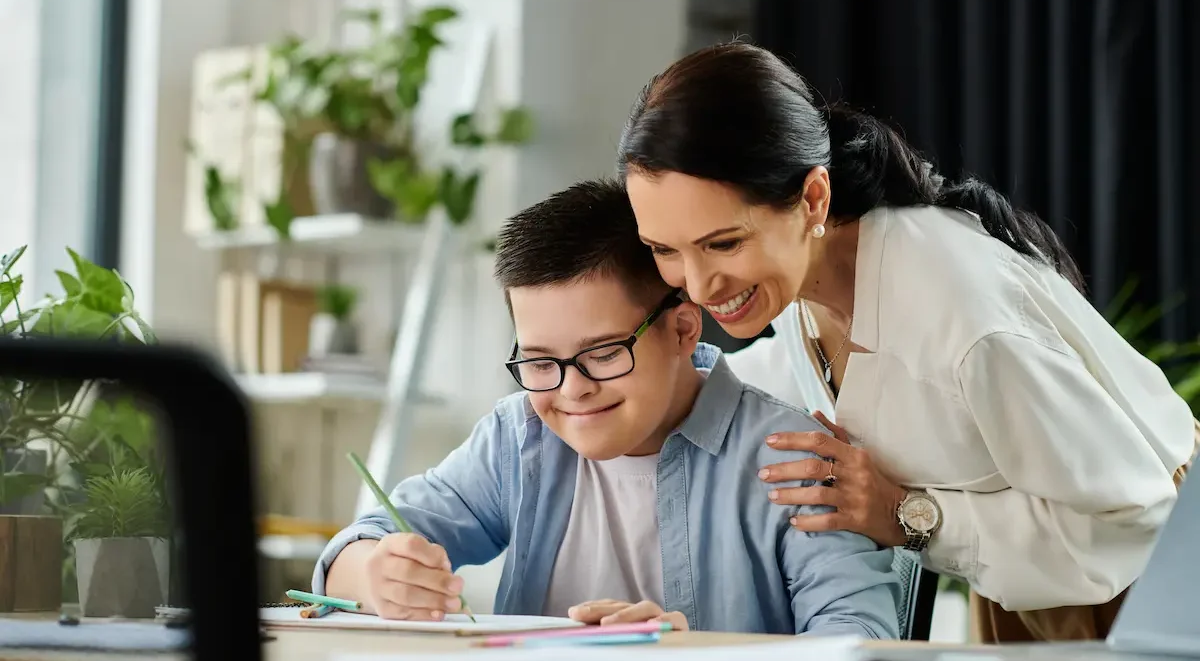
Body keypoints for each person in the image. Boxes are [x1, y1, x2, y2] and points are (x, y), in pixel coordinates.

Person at [614, 41, 1199, 642]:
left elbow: (1135, 518)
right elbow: (761, 381)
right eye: (664, 250)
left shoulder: (964, 324)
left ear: (813, 198)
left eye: (724, 243)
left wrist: (905, 513)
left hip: (1152, 581)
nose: (699, 284)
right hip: (1030, 583)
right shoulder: (810, 277)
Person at [312, 179, 901, 638]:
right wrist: (372, 572)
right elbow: (357, 548)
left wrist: (696, 654)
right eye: (540, 362)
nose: (572, 391)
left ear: (683, 330)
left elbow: (862, 637)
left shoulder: (790, 458)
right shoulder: (518, 439)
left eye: (602, 353)